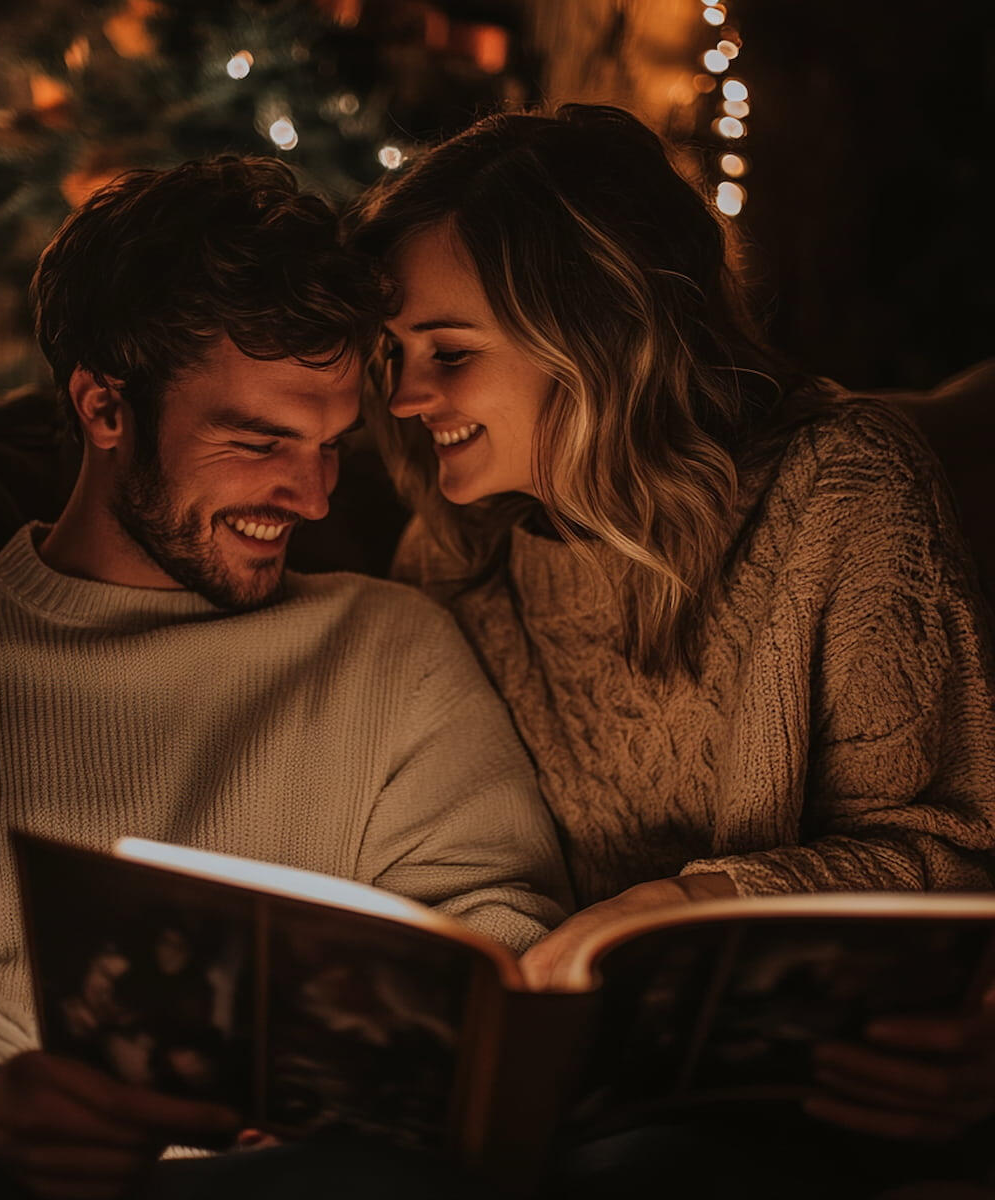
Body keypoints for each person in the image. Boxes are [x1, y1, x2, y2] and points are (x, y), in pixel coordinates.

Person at [0, 156, 569, 1200]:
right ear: (106, 409)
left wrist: (354, 1085)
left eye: (334, 445)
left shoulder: (392, 646)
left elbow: (496, 918)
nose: (310, 496)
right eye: (259, 441)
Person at [351, 104, 995, 1192]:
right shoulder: (454, 555)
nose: (410, 399)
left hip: (811, 1097)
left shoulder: (842, 489)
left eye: (450, 353)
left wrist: (692, 901)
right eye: (397, 355)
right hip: (568, 1089)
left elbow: (952, 860)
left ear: (594, 333)